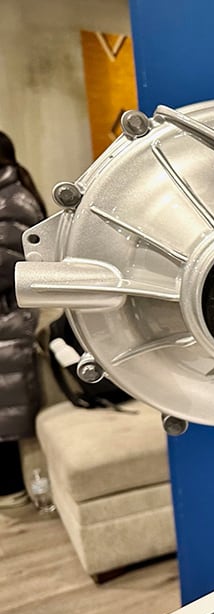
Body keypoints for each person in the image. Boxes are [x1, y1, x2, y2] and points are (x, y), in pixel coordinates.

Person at [0, 131, 44, 508]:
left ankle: (13, 487)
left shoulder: (12, 199)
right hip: (9, 317)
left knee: (8, 406)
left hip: (11, 320)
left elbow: (8, 266)